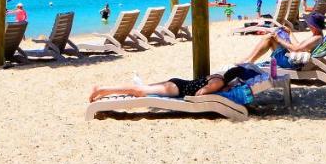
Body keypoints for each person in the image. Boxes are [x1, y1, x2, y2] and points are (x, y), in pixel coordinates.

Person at [88, 60, 266, 102]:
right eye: (237, 82)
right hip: (175, 89)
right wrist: (222, 90)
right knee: (139, 91)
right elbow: (199, 93)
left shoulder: (218, 77)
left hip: (177, 84)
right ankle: (102, 88)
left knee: (142, 88)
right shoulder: (218, 83)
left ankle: (104, 89)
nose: (237, 84)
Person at [239, 10, 326, 70]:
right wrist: (290, 33)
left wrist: (279, 40)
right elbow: (298, 46)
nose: (308, 24)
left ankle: (249, 61)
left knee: (270, 37)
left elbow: (296, 49)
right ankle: (248, 60)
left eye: (309, 23)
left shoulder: (316, 38)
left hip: (290, 63)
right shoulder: (317, 36)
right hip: (293, 59)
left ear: (313, 26)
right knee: (271, 36)